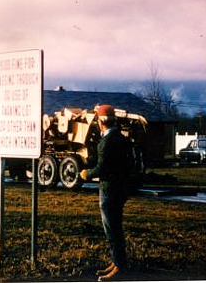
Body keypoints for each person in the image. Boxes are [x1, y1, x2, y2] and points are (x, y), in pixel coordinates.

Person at [79, 104, 130, 281]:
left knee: (111, 230)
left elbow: (102, 168)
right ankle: (116, 263)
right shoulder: (121, 139)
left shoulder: (106, 142)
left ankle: (119, 267)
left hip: (109, 190)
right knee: (116, 228)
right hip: (121, 189)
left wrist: (87, 174)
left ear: (101, 122)